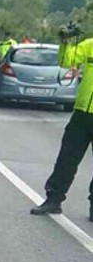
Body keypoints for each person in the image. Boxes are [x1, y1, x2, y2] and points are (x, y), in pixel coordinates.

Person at [30, 28, 93, 218]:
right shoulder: (90, 45)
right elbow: (67, 61)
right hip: (82, 113)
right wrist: (66, 41)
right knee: (67, 159)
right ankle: (53, 200)